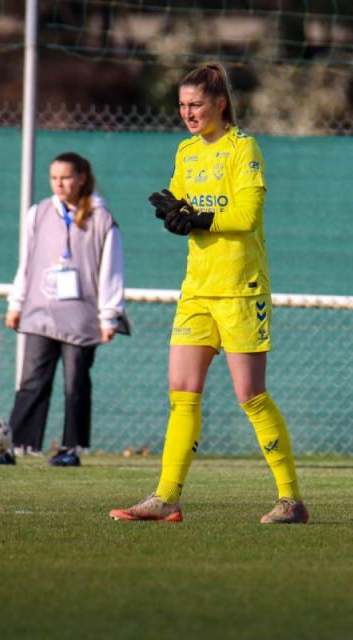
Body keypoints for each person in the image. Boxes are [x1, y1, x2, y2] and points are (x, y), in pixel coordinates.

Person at [109, 63, 309, 524]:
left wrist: (197, 218)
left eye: (196, 104)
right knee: (182, 391)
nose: (188, 113)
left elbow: (245, 215)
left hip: (241, 290)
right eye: (181, 105)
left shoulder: (244, 148)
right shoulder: (185, 151)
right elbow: (181, 201)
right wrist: (172, 212)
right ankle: (165, 499)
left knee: (250, 395)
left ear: (220, 103)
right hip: (197, 289)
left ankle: (291, 500)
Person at [0, 152, 127, 467]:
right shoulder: (38, 214)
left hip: (82, 318)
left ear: (81, 178)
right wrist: (16, 303)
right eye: (54, 178)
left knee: (75, 383)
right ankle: (18, 446)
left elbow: (112, 271)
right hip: (41, 314)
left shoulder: (102, 219)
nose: (59, 184)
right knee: (31, 381)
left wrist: (109, 316)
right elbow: (27, 263)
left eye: (65, 177)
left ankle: (71, 449)